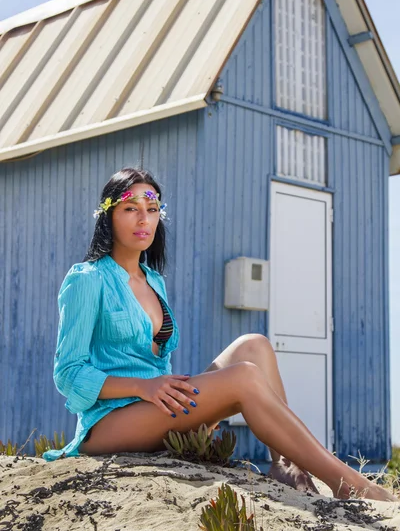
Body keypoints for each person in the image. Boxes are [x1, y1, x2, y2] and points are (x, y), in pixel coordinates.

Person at [43, 167, 396, 502]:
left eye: (152, 209)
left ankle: (287, 466)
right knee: (243, 378)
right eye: (130, 209)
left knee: (253, 346)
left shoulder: (154, 282)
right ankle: (350, 484)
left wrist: (167, 394)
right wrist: (142, 387)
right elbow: (68, 373)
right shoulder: (87, 280)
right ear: (109, 216)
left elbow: (156, 363)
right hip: (110, 423)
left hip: (158, 408)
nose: (143, 219)